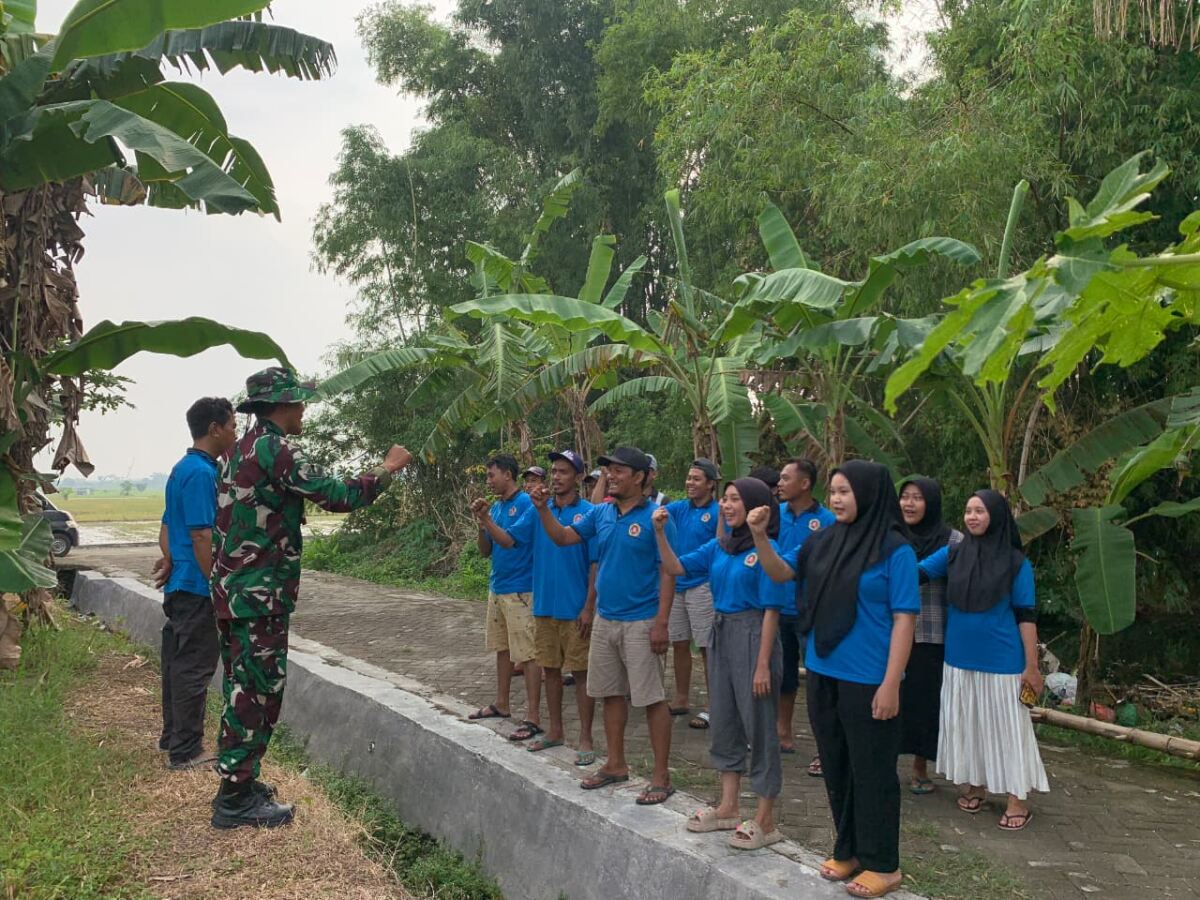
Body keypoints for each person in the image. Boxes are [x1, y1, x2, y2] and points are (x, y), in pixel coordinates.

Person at [209, 367, 412, 829]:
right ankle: (236, 801)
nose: (304, 409)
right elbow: (338, 496)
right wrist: (387, 468)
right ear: (281, 405)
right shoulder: (274, 449)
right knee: (256, 692)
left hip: (235, 592)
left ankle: (239, 782)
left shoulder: (238, 449)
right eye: (298, 402)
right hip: (259, 596)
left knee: (242, 687)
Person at [750, 460, 917, 899]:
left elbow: (904, 620)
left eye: (846, 491)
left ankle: (885, 864)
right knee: (838, 768)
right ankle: (851, 850)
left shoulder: (895, 550)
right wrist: (759, 535)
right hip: (824, 672)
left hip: (869, 679)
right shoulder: (821, 542)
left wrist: (892, 683)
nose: (838, 499)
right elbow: (781, 572)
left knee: (873, 772)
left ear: (869, 494)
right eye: (835, 491)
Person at [532, 446, 677, 805]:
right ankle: (615, 764)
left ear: (640, 477)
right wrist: (540, 509)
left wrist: (662, 622)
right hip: (605, 620)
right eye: (609, 470)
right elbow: (564, 537)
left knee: (652, 699)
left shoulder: (656, 518)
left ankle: (661, 777)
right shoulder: (601, 514)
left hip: (641, 622)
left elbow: (668, 570)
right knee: (609, 694)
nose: (611, 475)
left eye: (619, 471)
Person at [654, 478, 785, 850]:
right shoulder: (719, 546)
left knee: (759, 725)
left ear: (757, 506)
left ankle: (765, 816)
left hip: (753, 635)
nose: (727, 506)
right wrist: (660, 534)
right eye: (725, 500)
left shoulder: (766, 549)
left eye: (735, 500)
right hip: (721, 632)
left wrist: (762, 665)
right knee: (724, 719)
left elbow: (772, 610)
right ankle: (728, 806)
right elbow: (676, 567)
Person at [918, 490, 1047, 831]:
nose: (972, 517)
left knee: (1009, 730)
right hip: (958, 658)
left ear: (996, 516)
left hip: (1003, 660)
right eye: (968, 511)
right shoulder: (953, 553)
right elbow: (915, 573)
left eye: (980, 511)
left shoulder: (1017, 563)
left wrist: (1031, 666)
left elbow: (1026, 615)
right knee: (969, 724)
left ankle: (1018, 797)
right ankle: (976, 784)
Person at [488, 450, 597, 764]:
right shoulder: (539, 509)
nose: (557, 477)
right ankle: (555, 731)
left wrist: (588, 606)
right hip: (543, 603)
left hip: (575, 606)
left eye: (564, 472)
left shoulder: (588, 513)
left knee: (580, 674)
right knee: (550, 670)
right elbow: (511, 539)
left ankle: (586, 738)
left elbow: (594, 564)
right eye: (554, 471)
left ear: (578, 477)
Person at [152, 397, 237, 770]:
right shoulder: (204, 473)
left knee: (176, 661)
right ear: (215, 428)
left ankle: (173, 735)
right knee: (195, 667)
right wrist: (216, 585)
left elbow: (167, 526)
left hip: (180, 583)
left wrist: (171, 560)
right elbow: (203, 535)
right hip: (198, 587)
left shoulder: (181, 468)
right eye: (232, 425)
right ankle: (186, 750)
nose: (235, 432)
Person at [469, 455, 542, 739]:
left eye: (491, 475)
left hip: (521, 589)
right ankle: (502, 703)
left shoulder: (527, 505)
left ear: (508, 475)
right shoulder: (497, 507)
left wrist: (487, 518)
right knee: (502, 649)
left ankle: (533, 715)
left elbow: (510, 541)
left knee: (528, 653)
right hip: (497, 587)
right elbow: (485, 550)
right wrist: (481, 523)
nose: (489, 481)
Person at [898, 477, 961, 795]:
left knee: (924, 703)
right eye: (905, 497)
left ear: (932, 502)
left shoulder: (954, 541)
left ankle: (920, 767)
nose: (909, 504)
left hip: (932, 633)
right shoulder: (891, 536)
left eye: (917, 498)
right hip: (891, 632)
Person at [775, 458, 836, 773]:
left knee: (818, 680)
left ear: (805, 483)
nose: (780, 483)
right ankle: (782, 732)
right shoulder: (774, 515)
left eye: (786, 478)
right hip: (778, 608)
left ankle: (824, 747)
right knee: (784, 676)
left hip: (813, 610)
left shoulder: (827, 519)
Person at [664, 458, 720, 730]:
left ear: (710, 484)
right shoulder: (678, 508)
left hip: (703, 586)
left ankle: (714, 705)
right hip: (677, 586)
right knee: (680, 643)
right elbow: (657, 511)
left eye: (696, 479)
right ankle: (682, 697)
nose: (690, 483)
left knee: (708, 647)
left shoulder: (718, 512)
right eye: (688, 478)